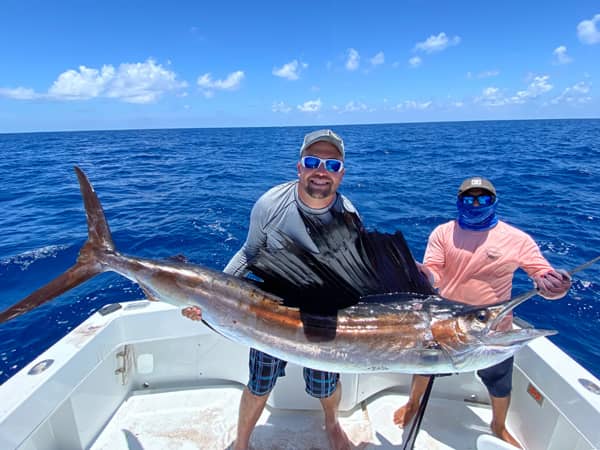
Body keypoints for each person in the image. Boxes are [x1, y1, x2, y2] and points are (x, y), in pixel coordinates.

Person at [182, 129, 355, 450]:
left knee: (325, 384)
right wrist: (211, 299)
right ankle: (242, 443)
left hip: (323, 316)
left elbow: (352, 276)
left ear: (341, 174)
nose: (321, 171)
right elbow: (249, 254)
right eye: (313, 161)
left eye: (331, 165)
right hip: (270, 309)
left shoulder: (348, 216)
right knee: (260, 384)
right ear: (299, 167)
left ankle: (332, 423)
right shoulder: (271, 203)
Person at [393, 176, 571, 448]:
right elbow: (435, 272)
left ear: (494, 201)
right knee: (425, 371)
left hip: (493, 330)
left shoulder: (517, 239)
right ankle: (412, 404)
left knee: (500, 383)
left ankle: (498, 426)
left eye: (483, 199)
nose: (475, 203)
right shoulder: (443, 233)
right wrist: (423, 274)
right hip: (444, 326)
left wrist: (554, 285)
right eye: (468, 198)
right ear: (458, 201)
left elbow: (542, 275)